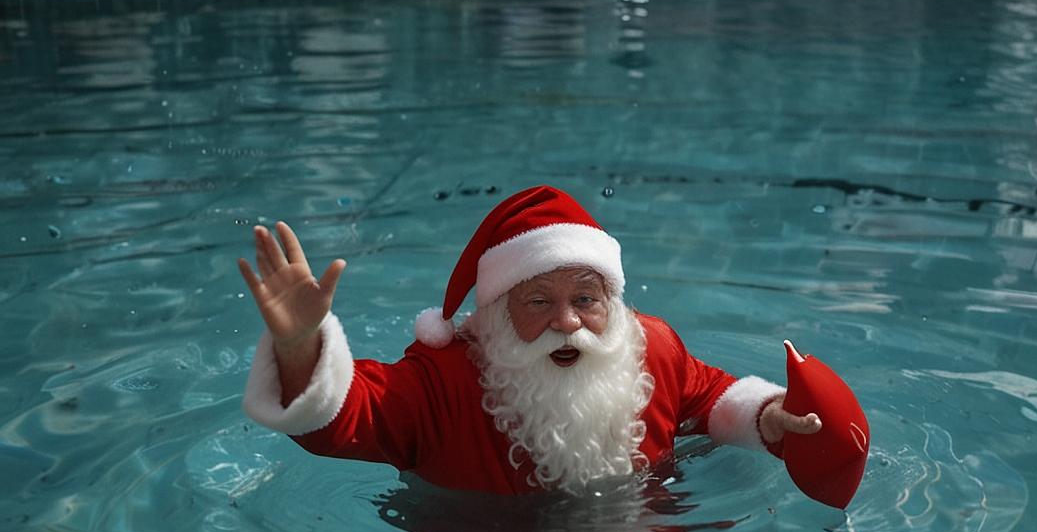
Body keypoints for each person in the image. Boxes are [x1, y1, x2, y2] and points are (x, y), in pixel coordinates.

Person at [238, 184, 821, 494]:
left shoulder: (650, 348)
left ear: (611, 304)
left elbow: (709, 396)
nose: (567, 322)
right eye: (538, 302)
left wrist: (770, 416)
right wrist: (300, 344)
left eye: (585, 300)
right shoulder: (444, 381)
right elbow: (346, 417)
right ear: (494, 314)